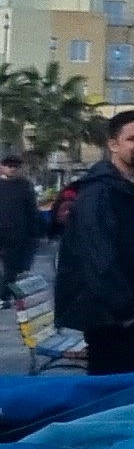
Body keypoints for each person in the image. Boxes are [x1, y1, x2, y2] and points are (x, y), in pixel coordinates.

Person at [53, 110, 134, 375]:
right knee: (113, 394)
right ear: (113, 144)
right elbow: (98, 259)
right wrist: (127, 311)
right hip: (114, 318)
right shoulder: (98, 193)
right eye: (133, 138)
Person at [0, 147, 39, 375]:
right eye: (8, 165)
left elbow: (32, 211)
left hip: (17, 233)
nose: (12, 169)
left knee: (13, 268)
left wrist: (34, 233)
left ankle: (5, 295)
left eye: (15, 166)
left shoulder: (25, 186)